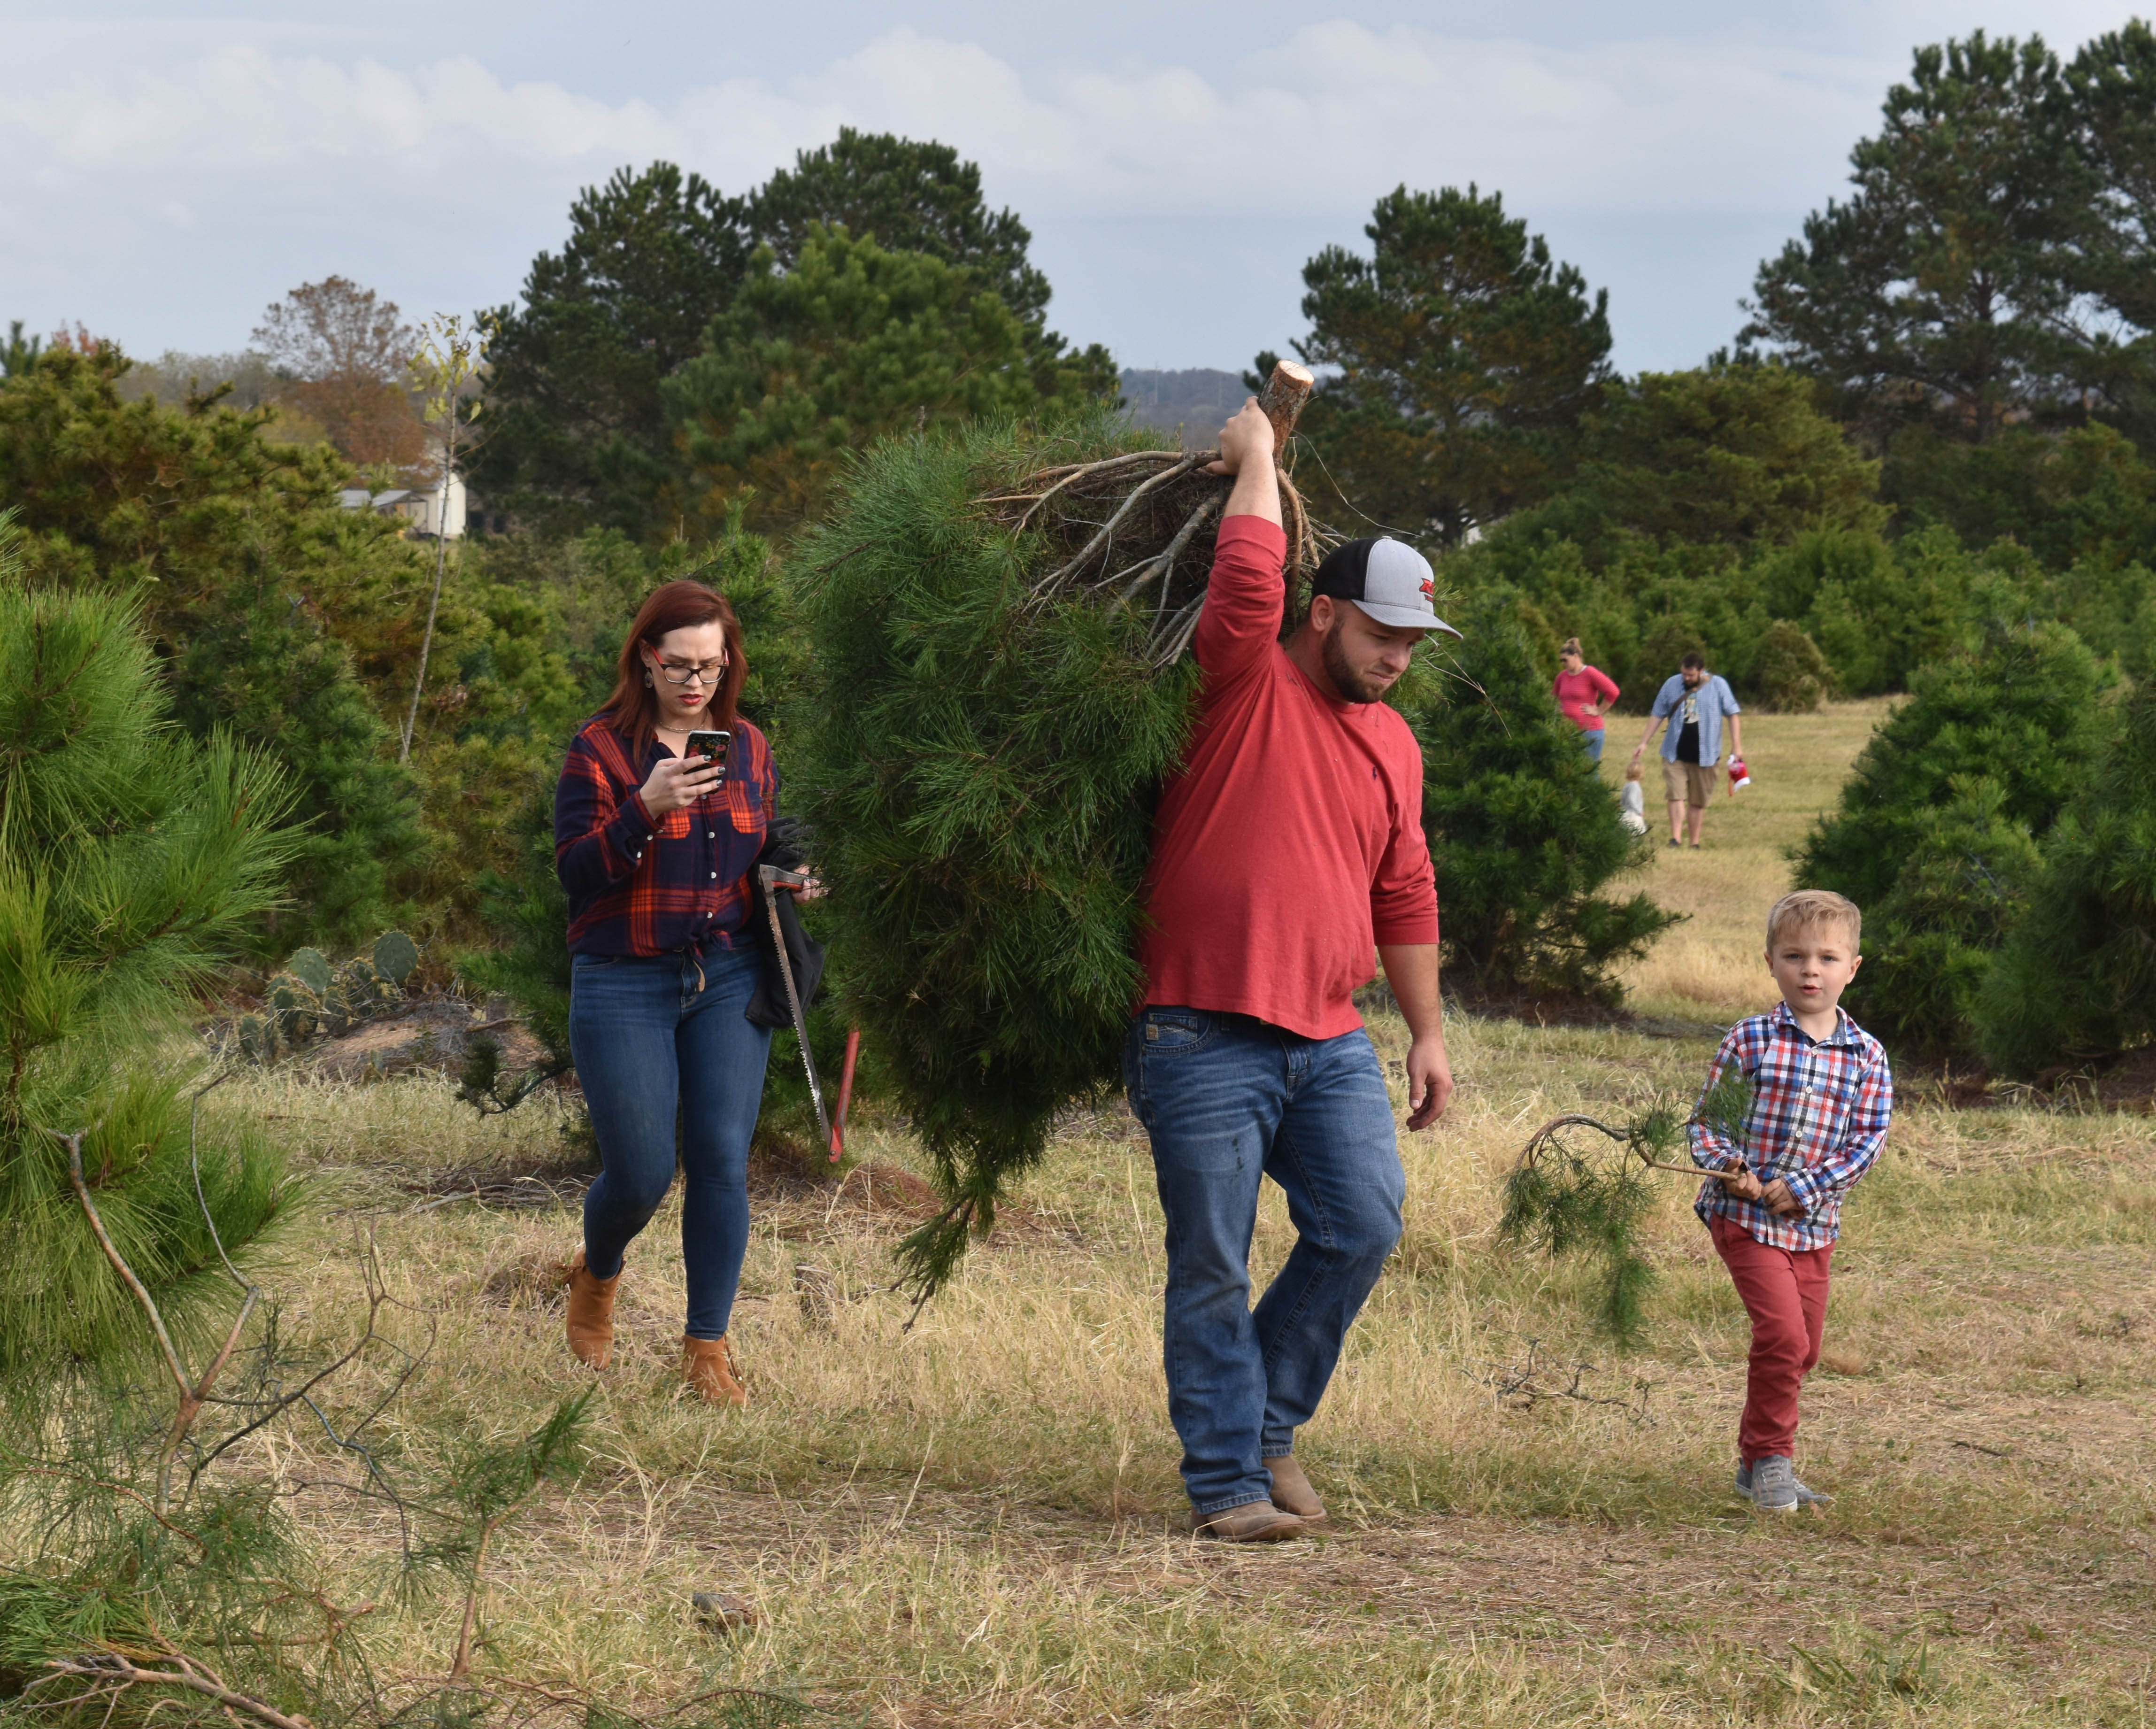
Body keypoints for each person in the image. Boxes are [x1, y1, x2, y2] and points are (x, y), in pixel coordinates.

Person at [1125, 398, 1458, 1544]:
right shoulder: (1245, 679)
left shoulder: (1394, 745)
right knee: (1211, 1260)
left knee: (1362, 1223)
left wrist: (1425, 1033)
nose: (1399, 661)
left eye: (1413, 644)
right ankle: (1226, 1483)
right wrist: (1260, 453)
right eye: (1383, 638)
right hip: (1200, 1028)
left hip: (1326, 1036)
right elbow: (1250, 574)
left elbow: (1405, 893)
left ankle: (1268, 1423)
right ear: (1325, 618)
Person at [553, 579, 794, 1407]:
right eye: (680, 665)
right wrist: (641, 811)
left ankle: (706, 1348)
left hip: (724, 969)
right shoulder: (600, 751)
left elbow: (768, 842)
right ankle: (598, 1272)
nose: (697, 682)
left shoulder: (749, 747)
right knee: (643, 1171)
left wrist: (795, 876)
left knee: (723, 1159)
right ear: (646, 660)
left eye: (712, 665)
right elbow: (577, 878)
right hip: (624, 973)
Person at [1688, 890, 1891, 1514]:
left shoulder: (1867, 1056)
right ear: (1771, 961)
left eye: (1828, 958)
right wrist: (1732, 1168)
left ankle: (1755, 1465)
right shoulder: (1750, 1039)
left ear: (1852, 968)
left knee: (1804, 1349)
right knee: (1780, 1334)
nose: (1811, 970)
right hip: (1744, 1218)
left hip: (1814, 1224)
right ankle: (1775, 1461)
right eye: (1795, 955)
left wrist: (1802, 1187)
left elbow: (1867, 1142)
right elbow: (1706, 1124)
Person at [1630, 652, 1743, 849]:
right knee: (1675, 794)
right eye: (1684, 674)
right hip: (1675, 753)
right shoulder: (1671, 684)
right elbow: (1657, 714)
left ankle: (1695, 842)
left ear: (1701, 671)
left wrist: (1737, 746)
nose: (1686, 678)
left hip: (1706, 755)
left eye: (1691, 675)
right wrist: (1644, 742)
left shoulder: (1719, 685)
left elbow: (1733, 714)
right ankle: (1675, 839)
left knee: (1698, 801)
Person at [1552, 638, 1619, 761]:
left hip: (1590, 731)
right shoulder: (1561, 677)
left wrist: (1599, 710)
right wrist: (1558, 713)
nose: (1563, 663)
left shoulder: (1590, 673)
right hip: (1567, 732)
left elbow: (1613, 692)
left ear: (1576, 656)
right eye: (1561, 660)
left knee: (1589, 773)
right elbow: (1554, 699)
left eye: (1565, 660)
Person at [1618, 760, 1648, 834]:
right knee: (1634, 833)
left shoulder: (1627, 785)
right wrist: (1639, 811)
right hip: (1633, 814)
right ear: (1640, 774)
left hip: (1625, 812)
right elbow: (1632, 799)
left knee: (1625, 833)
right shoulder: (1635, 786)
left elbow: (1623, 799)